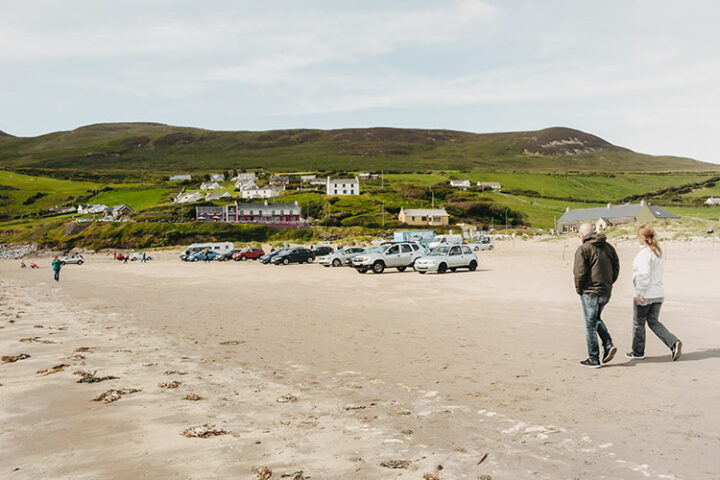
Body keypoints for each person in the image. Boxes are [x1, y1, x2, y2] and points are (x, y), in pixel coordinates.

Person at [626, 225, 682, 361]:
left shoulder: (644, 254)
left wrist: (640, 293)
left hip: (646, 294)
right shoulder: (658, 252)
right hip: (658, 293)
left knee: (638, 323)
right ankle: (673, 342)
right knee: (653, 321)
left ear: (640, 237)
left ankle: (637, 352)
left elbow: (644, 276)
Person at [573, 222, 620, 368]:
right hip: (605, 291)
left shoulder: (583, 249)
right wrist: (609, 283)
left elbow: (579, 273)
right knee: (595, 319)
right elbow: (616, 267)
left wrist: (579, 289)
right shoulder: (609, 247)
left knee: (590, 325)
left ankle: (594, 358)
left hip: (590, 291)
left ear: (582, 235)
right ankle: (608, 344)